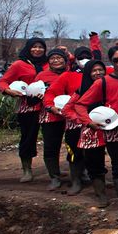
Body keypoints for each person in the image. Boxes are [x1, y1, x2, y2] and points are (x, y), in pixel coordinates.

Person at [73, 44, 118, 221]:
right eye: (116, 60)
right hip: (115, 129)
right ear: (111, 62)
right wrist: (89, 122)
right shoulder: (103, 82)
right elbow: (80, 104)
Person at [0, 37, 48, 182]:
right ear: (28, 48)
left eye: (40, 47)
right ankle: (27, 170)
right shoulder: (19, 64)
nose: (37, 50)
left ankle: (53, 169)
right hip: (28, 106)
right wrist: (8, 91)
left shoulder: (48, 63)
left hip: (46, 105)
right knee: (28, 137)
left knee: (51, 138)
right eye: (34, 47)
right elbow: (2, 81)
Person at [46, 47, 95, 195]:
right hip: (74, 120)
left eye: (87, 56)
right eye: (81, 57)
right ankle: (75, 181)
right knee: (74, 151)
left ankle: (94, 177)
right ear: (75, 59)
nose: (84, 59)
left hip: (95, 119)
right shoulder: (68, 76)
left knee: (94, 151)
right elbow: (51, 93)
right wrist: (51, 106)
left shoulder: (99, 73)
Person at [63, 60, 109, 206]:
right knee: (90, 160)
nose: (98, 73)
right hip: (88, 131)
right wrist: (84, 120)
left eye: (100, 70)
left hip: (110, 129)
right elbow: (67, 109)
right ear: (88, 73)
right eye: (94, 71)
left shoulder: (109, 87)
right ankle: (99, 193)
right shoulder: (81, 90)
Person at [34, 47, 71, 190]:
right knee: (51, 146)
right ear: (48, 62)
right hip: (50, 116)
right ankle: (54, 177)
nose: (56, 61)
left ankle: (80, 173)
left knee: (74, 146)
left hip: (70, 116)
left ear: (65, 60)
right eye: (52, 59)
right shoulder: (42, 76)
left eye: (59, 58)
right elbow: (34, 95)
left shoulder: (71, 73)